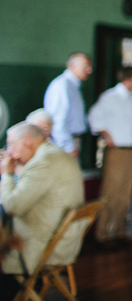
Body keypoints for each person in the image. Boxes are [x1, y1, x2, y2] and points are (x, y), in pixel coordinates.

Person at [0, 123, 84, 300]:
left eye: (11, 144)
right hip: (62, 240)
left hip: (40, 246)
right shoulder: (54, 154)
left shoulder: (44, 163)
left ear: (27, 140)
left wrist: (6, 174)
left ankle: (13, 291)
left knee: (3, 244)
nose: (9, 151)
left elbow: (12, 206)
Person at [87, 66, 132, 246]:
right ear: (128, 79)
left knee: (125, 191)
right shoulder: (110, 97)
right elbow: (94, 118)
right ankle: (102, 233)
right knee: (110, 191)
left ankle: (119, 230)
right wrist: (106, 135)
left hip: (130, 149)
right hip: (116, 150)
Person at [43, 52, 92, 157]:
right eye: (85, 66)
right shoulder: (62, 86)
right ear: (72, 66)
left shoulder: (73, 86)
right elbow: (57, 121)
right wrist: (69, 147)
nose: (89, 70)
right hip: (65, 144)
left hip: (73, 140)